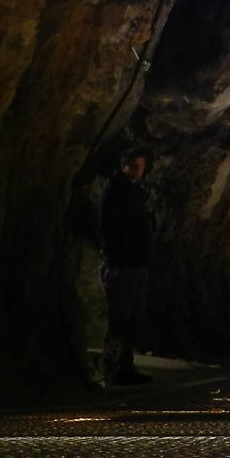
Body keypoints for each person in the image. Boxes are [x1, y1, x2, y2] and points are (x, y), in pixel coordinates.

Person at [100, 150, 155, 385]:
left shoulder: (135, 192)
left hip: (138, 262)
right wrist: (113, 262)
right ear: (122, 165)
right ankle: (111, 369)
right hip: (125, 264)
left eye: (139, 166)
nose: (135, 170)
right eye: (131, 165)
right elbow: (109, 227)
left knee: (132, 318)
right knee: (120, 318)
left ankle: (125, 367)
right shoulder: (116, 191)